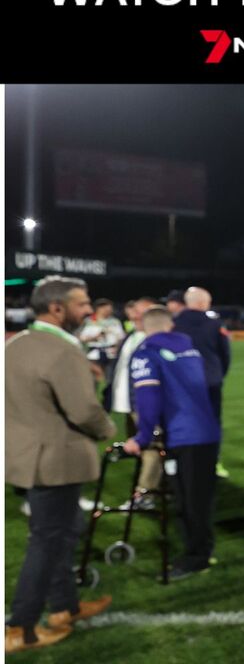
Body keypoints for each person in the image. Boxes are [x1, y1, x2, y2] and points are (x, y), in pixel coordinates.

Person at [5, 276, 115, 652]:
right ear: (57, 308)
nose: (88, 311)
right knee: (49, 541)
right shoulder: (61, 350)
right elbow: (83, 410)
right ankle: (20, 628)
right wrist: (107, 428)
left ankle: (64, 608)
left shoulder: (15, 344)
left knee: (64, 533)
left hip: (31, 455)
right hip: (57, 458)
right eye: (82, 304)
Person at [122, 307, 222, 579]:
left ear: (143, 326)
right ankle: (198, 549)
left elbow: (148, 398)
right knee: (198, 498)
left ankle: (196, 556)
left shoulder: (146, 352)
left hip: (184, 435)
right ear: (171, 326)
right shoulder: (189, 348)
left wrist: (142, 438)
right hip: (207, 431)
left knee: (189, 500)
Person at [173, 287, 232, 479]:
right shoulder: (215, 324)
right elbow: (225, 355)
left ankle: (181, 466)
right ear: (202, 303)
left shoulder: (173, 324)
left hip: (181, 386)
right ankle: (211, 464)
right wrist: (217, 375)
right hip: (209, 384)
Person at [111, 296, 163, 510]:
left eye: (142, 312)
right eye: (135, 311)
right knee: (140, 449)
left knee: (151, 447)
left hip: (144, 404)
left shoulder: (157, 340)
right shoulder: (131, 336)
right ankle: (154, 487)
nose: (135, 315)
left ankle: (145, 494)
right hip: (127, 404)